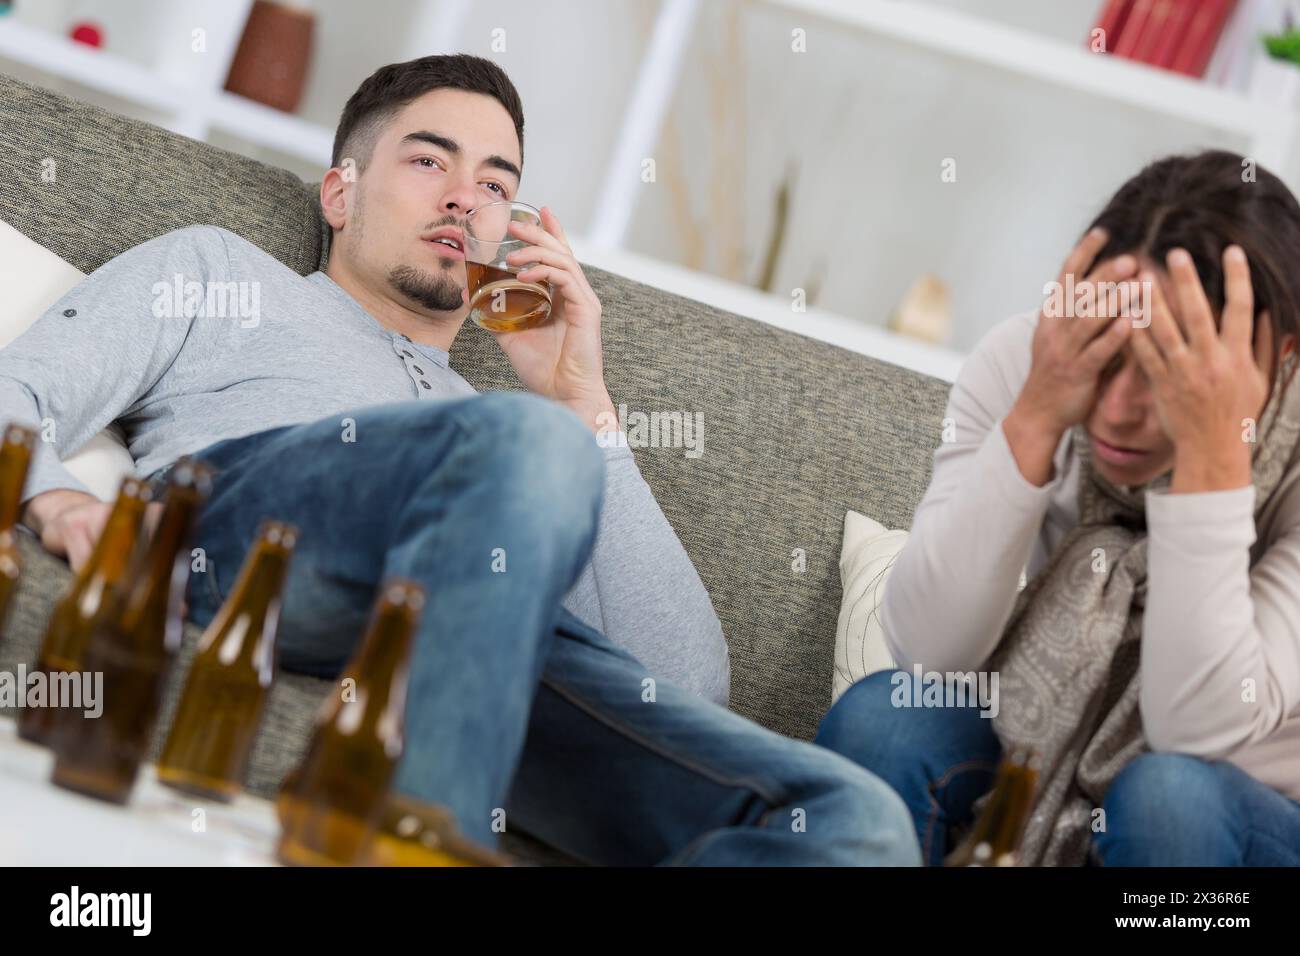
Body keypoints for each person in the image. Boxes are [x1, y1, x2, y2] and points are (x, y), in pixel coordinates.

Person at [3, 54, 918, 865]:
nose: (463, 199)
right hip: (256, 540)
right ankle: (415, 836)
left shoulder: (519, 437)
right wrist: (57, 502)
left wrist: (581, 406)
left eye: (495, 184)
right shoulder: (221, 272)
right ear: (340, 192)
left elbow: (683, 683)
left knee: (856, 818)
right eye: (429, 160)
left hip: (469, 639)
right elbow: (17, 394)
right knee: (520, 443)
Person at [817, 151, 1300, 866]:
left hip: (1247, 809)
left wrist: (1212, 460)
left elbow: (1195, 733)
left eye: (1169, 369)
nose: (1115, 412)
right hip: (1038, 737)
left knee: (1166, 797)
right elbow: (930, 649)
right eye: (1108, 356)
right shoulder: (1035, 365)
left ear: (1280, 358)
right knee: (885, 720)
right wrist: (1038, 413)